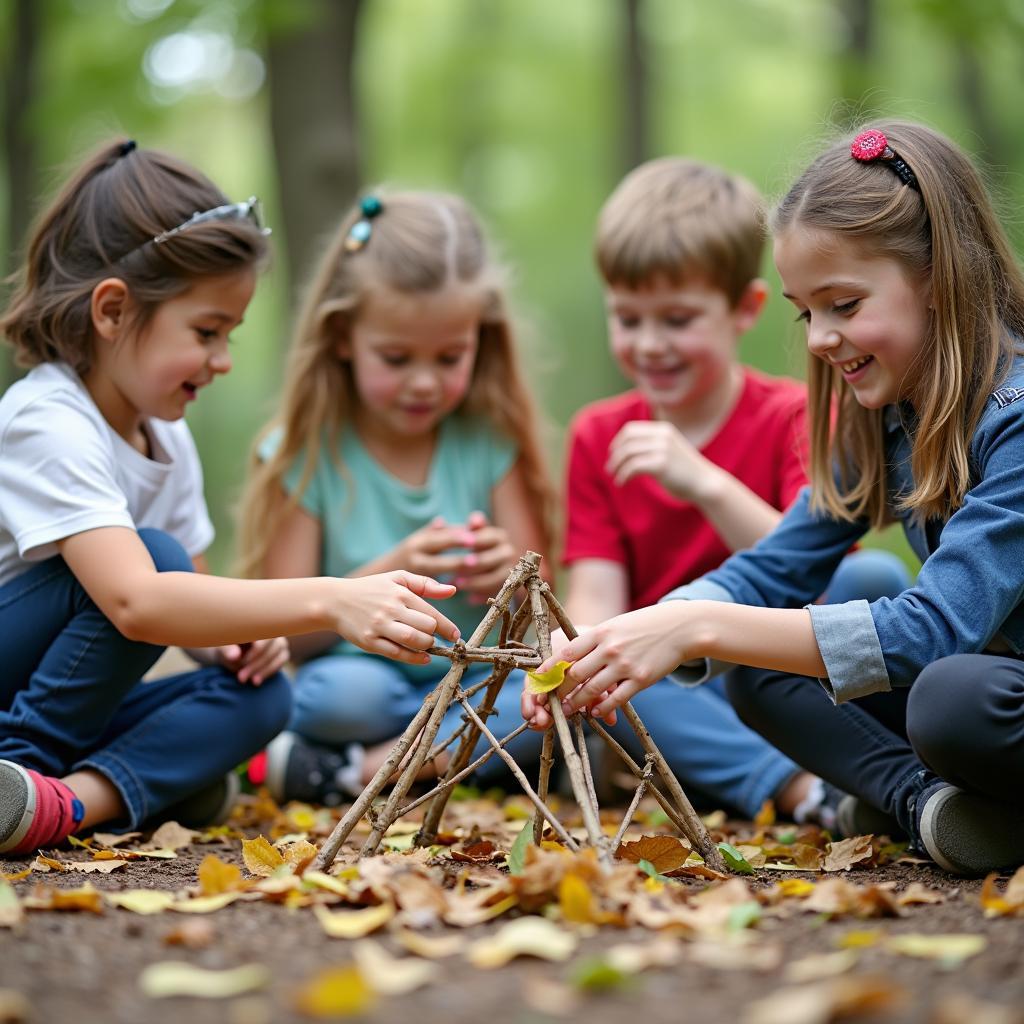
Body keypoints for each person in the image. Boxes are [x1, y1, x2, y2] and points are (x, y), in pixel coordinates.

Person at [526, 122, 1024, 876]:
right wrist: (624, 638)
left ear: (939, 280)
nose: (822, 337)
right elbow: (776, 567)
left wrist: (694, 624)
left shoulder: (1015, 420)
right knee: (763, 658)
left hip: (986, 697)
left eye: (845, 305)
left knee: (954, 700)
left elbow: (930, 631)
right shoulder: (890, 418)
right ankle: (930, 807)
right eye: (807, 311)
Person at [0, 141, 461, 857]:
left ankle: (71, 799)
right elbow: (140, 602)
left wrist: (238, 646)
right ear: (114, 311)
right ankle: (38, 770)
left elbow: (196, 609)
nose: (223, 360)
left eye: (231, 335)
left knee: (265, 696)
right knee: (153, 559)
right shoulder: (47, 421)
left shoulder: (166, 439)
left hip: (68, 694)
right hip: (14, 679)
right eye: (207, 332)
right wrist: (334, 598)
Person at [554, 156, 908, 825]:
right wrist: (574, 650)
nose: (650, 344)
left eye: (678, 319)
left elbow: (813, 567)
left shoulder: (798, 414)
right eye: (628, 319)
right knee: (613, 679)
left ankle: (874, 765)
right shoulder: (597, 436)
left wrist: (704, 483)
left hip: (787, 663)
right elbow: (597, 596)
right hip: (677, 681)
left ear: (744, 308)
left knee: (876, 576)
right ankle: (807, 794)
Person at [239, 190, 554, 804]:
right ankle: (434, 758)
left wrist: (508, 577)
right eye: (396, 357)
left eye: (450, 356)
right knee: (334, 698)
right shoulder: (304, 453)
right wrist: (391, 571)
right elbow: (280, 630)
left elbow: (542, 612)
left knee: (533, 706)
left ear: (480, 342)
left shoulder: (490, 442)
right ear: (341, 339)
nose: (424, 382)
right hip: (366, 683)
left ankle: (354, 774)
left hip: (478, 679)